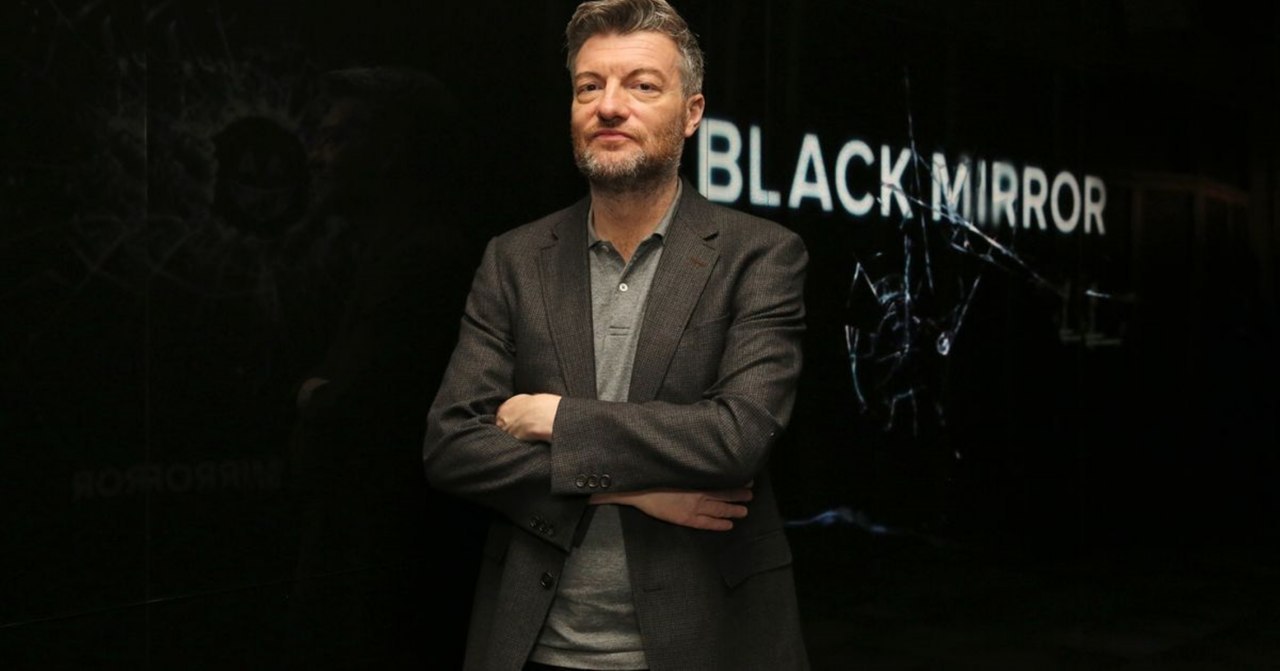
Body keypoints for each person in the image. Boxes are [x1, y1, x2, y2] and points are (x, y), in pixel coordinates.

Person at [423, 1, 810, 669]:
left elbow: (736, 437)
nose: (608, 106)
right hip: (537, 645)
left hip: (706, 640)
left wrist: (556, 418)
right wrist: (631, 488)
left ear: (692, 112)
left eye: (642, 85)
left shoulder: (760, 254)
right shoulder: (515, 258)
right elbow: (452, 446)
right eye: (589, 86)